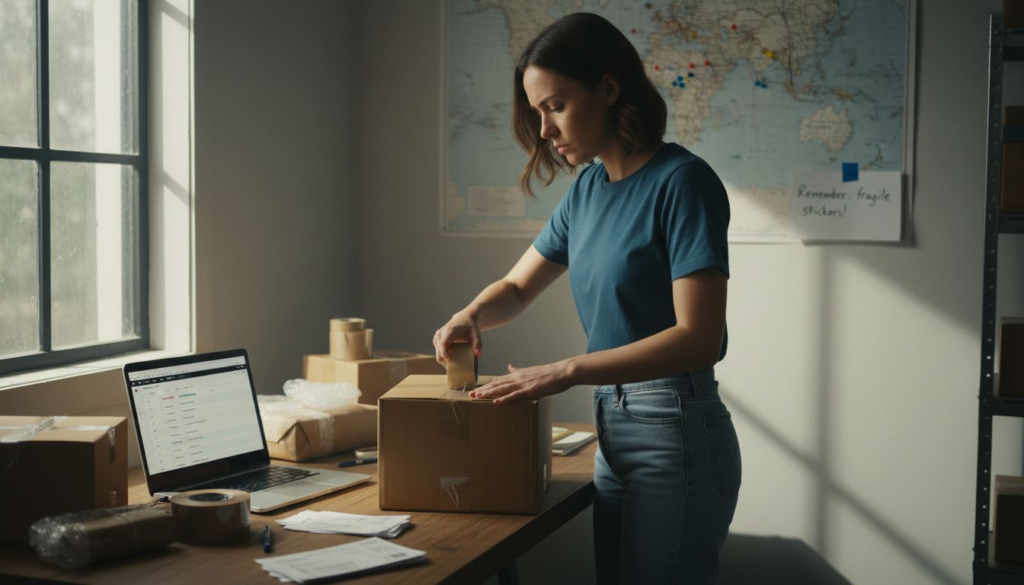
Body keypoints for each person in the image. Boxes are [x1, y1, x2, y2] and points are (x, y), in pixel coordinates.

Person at [433, 12, 740, 585]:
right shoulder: (589, 190)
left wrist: (565, 371)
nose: (545, 130)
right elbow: (518, 288)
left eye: (555, 106)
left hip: (674, 430)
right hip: (613, 426)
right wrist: (471, 313)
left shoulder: (684, 182)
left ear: (608, 87)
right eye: (537, 113)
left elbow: (698, 340)